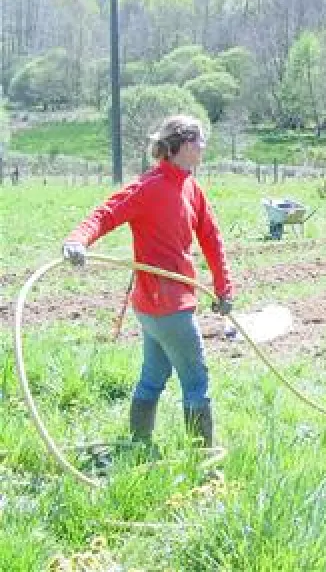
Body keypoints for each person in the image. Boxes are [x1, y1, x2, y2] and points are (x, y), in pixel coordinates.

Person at [62, 114, 234, 451]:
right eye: (198, 140)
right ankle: (202, 460)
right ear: (181, 145)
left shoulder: (191, 187)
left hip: (157, 306)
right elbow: (105, 213)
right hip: (169, 308)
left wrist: (223, 287)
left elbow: (212, 239)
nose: (203, 147)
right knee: (197, 382)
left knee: (153, 377)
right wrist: (77, 240)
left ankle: (139, 447)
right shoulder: (149, 186)